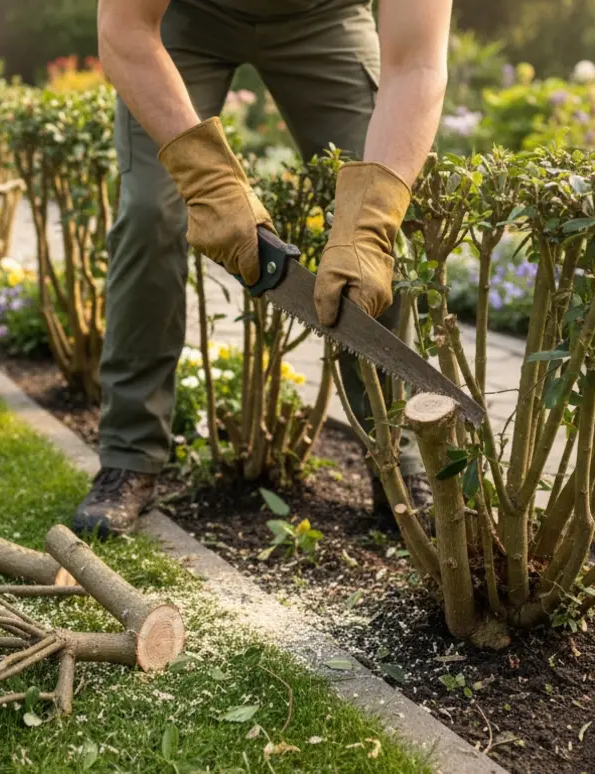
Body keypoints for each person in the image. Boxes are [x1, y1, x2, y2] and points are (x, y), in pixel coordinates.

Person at [74, 0, 455, 537]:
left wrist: (370, 226)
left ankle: (396, 459)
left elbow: (415, 63)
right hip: (187, 16)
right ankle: (128, 456)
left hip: (325, 16)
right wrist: (208, 182)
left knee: (384, 219)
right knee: (150, 214)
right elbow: (124, 30)